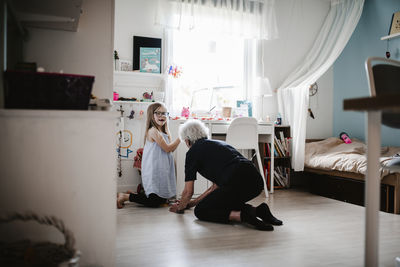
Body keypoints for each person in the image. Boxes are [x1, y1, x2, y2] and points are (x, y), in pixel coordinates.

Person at [169, 120, 282, 231]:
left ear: (187, 141)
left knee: (201, 211)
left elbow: (188, 192)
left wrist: (180, 207)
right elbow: (214, 188)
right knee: (222, 201)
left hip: (234, 181)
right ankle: (259, 211)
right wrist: (190, 203)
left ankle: (243, 216)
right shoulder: (220, 144)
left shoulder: (192, 153)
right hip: (256, 182)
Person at [117, 102, 180, 208]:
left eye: (164, 113)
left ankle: (133, 195)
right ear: (151, 115)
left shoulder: (164, 132)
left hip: (162, 169)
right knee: (154, 202)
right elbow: (168, 148)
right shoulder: (153, 131)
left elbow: (170, 150)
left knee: (161, 197)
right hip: (154, 170)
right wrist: (181, 137)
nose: (162, 116)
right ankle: (125, 196)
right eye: (158, 113)